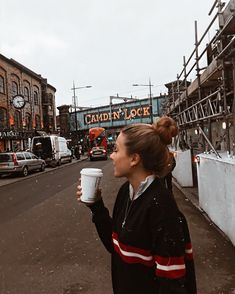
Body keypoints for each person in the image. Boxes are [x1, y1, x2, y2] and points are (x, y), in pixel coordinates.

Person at [76, 116, 197, 294]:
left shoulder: (161, 207)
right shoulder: (126, 192)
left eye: (116, 150)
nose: (111, 155)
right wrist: (96, 206)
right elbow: (116, 247)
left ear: (134, 159)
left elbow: (173, 284)